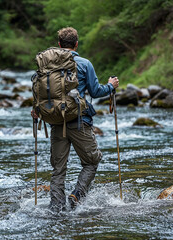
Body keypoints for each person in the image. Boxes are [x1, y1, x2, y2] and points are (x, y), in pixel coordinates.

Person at [31, 27, 119, 211]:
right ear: (76, 44)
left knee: (58, 169)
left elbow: (41, 93)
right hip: (80, 121)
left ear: (59, 45)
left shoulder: (48, 66)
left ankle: (56, 209)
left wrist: (37, 110)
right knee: (92, 162)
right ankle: (77, 196)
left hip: (56, 122)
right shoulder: (84, 64)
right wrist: (111, 86)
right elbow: (96, 92)